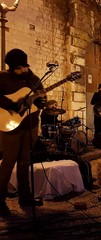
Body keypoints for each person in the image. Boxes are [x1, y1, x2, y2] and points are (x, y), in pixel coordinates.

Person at [0, 49, 46, 216]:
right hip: (10, 127)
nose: (20, 70)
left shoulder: (34, 79)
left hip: (30, 125)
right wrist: (12, 105)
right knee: (8, 163)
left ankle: (25, 196)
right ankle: (0, 201)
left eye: (22, 67)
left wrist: (41, 101)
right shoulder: (2, 77)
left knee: (25, 162)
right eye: (16, 68)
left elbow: (41, 101)